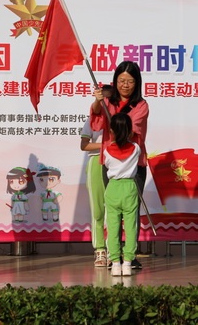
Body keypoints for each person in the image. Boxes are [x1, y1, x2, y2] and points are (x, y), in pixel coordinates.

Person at [90, 61, 148, 270]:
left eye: (130, 81)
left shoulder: (141, 105)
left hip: (134, 165)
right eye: (121, 80)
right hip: (111, 163)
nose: (125, 85)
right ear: (115, 81)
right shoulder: (107, 102)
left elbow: (131, 129)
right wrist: (98, 103)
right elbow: (96, 123)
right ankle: (114, 256)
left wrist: (113, 120)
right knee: (112, 213)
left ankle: (130, 256)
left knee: (132, 213)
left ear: (137, 83)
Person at [104, 112, 141, 277]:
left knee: (113, 227)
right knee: (131, 227)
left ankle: (115, 263)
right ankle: (127, 263)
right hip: (129, 187)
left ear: (111, 131)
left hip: (113, 187)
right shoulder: (136, 148)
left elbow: (107, 164)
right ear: (130, 131)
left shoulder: (106, 150)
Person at [81, 85, 112, 267]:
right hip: (96, 163)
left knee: (113, 209)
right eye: (102, 99)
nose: (105, 102)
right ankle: (100, 249)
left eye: (108, 99)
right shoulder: (92, 120)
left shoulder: (118, 119)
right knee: (98, 209)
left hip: (116, 163)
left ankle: (113, 249)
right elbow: (84, 145)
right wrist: (105, 146)